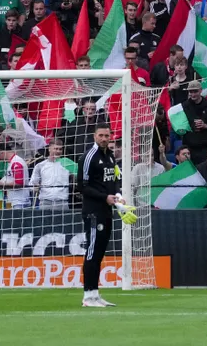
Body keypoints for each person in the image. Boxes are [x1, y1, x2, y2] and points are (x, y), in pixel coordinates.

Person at [79, 120, 120, 308]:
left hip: (107, 209)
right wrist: (105, 197)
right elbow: (82, 186)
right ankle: (87, 295)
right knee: (92, 252)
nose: (104, 139)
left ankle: (95, 294)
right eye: (101, 136)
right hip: (94, 211)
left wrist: (117, 195)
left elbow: (113, 180)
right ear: (95, 136)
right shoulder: (89, 157)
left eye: (107, 135)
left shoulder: (110, 156)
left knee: (100, 252)